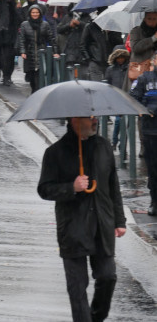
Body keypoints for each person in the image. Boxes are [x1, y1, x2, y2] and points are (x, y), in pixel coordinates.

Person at [38, 116, 127, 322]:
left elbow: (113, 185)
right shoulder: (55, 152)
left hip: (102, 225)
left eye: (95, 116)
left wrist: (119, 221)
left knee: (107, 276)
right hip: (72, 227)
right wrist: (72, 187)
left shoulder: (104, 146)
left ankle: (95, 317)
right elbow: (44, 189)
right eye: (89, 118)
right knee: (77, 287)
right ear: (74, 120)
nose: (95, 121)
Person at [129, 51, 157, 216]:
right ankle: (154, 201)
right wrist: (142, 110)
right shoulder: (145, 79)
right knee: (153, 169)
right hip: (150, 131)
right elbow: (134, 98)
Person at [18, 4, 58, 93]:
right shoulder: (25, 24)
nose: (35, 14)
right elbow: (22, 39)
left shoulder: (45, 24)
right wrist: (23, 51)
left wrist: (55, 51)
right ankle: (34, 92)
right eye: (33, 12)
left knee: (40, 77)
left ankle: (38, 94)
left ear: (40, 13)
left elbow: (51, 39)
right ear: (30, 13)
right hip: (30, 54)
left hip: (42, 53)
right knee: (32, 78)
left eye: (37, 12)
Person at [105, 46, 129, 149]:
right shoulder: (110, 70)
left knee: (125, 122)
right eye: (118, 57)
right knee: (119, 121)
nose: (120, 59)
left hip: (127, 98)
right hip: (116, 97)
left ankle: (120, 144)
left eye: (122, 57)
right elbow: (107, 83)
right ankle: (115, 142)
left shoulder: (129, 68)